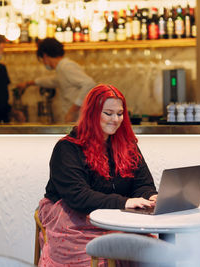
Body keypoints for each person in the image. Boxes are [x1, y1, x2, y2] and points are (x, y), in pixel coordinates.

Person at [37, 84, 158, 266]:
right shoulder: (67, 148)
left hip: (117, 220)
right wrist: (124, 202)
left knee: (155, 252)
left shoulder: (127, 145)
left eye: (120, 113)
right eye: (108, 113)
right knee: (102, 259)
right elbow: (78, 197)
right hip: (74, 221)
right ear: (92, 114)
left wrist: (150, 196)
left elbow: (142, 184)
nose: (115, 119)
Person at [16, 38, 96, 123]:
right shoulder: (61, 69)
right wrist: (28, 83)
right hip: (77, 122)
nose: (43, 62)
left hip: (81, 121)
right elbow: (52, 81)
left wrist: (73, 110)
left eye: (42, 59)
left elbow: (89, 84)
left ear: (45, 56)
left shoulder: (66, 67)